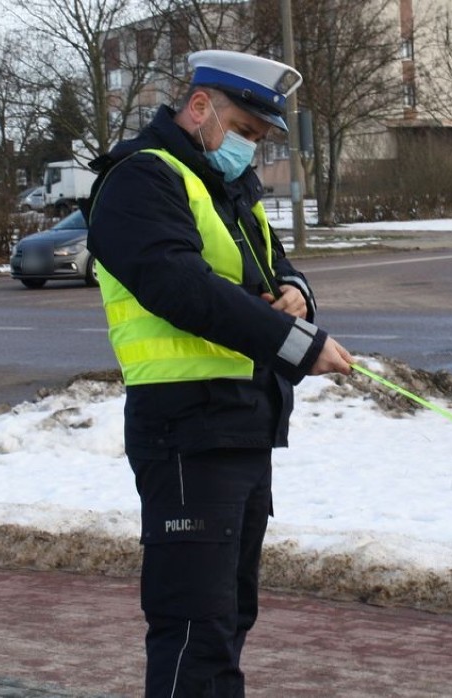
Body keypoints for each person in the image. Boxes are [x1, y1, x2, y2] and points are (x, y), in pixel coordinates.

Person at [85, 49, 354, 695]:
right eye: (245, 131)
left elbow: (273, 270)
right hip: (184, 428)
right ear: (200, 107)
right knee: (193, 629)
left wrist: (297, 296)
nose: (250, 149)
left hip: (238, 425)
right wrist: (292, 342)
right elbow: (178, 285)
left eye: (259, 140)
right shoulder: (140, 178)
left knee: (229, 617)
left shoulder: (227, 189)